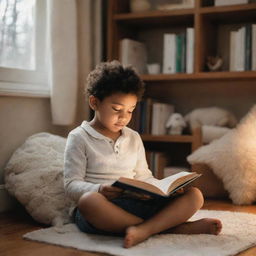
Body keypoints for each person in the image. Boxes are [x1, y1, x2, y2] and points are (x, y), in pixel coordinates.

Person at [64, 60, 222, 248]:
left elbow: (143, 176)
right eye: (117, 109)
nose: (124, 117)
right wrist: (99, 189)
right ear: (94, 102)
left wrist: (162, 190)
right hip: (103, 209)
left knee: (195, 195)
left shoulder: (133, 137)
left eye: (130, 111)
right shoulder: (79, 137)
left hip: (135, 204)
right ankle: (171, 228)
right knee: (88, 201)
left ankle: (145, 229)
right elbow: (71, 184)